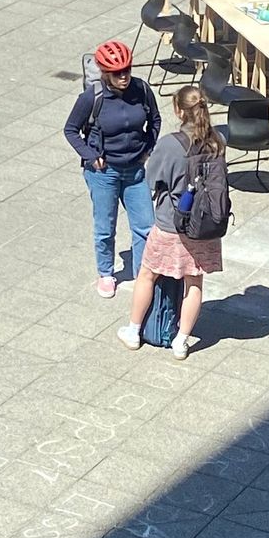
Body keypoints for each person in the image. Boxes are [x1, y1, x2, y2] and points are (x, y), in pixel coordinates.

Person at [115, 84, 226, 359]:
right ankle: (182, 341)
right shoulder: (217, 142)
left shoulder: (169, 144)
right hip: (205, 228)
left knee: (147, 275)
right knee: (194, 284)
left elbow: (152, 179)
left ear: (179, 111)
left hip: (170, 225)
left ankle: (133, 330)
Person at [66, 41, 159, 299]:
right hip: (104, 173)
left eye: (127, 69)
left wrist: (147, 149)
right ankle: (106, 273)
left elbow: (155, 120)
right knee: (105, 226)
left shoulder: (140, 89)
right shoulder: (91, 97)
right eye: (117, 72)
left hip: (135, 171)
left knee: (146, 227)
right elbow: (71, 130)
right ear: (105, 73)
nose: (124, 76)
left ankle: (143, 273)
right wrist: (90, 155)